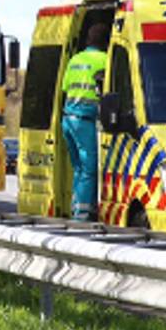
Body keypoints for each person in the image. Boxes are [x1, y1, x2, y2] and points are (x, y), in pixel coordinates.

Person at [61, 23, 109, 221]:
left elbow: (65, 88)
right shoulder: (105, 59)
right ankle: (83, 214)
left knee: (79, 169)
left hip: (68, 120)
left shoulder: (75, 59)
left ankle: (77, 208)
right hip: (85, 121)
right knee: (89, 169)